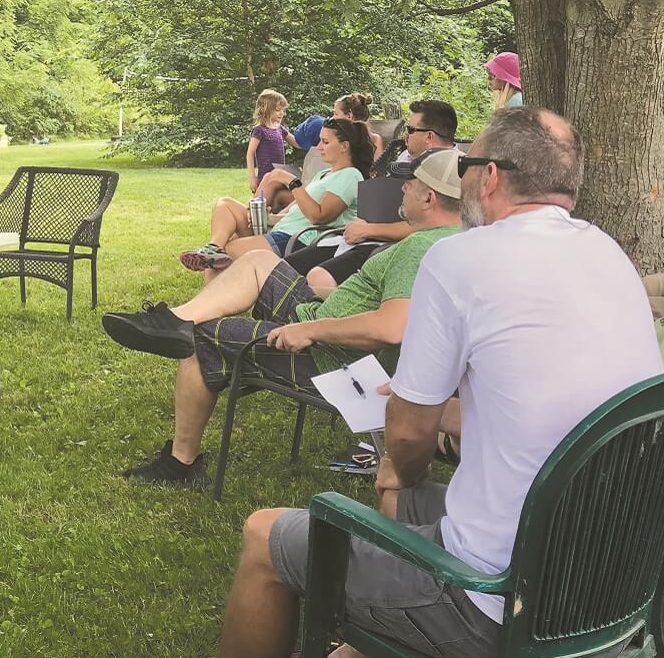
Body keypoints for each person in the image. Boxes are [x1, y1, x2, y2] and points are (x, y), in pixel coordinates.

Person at [120, 108, 662, 658]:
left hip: (507, 611)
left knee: (271, 534)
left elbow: (405, 439)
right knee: (418, 499)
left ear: (488, 178)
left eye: (464, 167)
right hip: (615, 596)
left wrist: (397, 465)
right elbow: (547, 412)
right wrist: (445, 423)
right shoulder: (606, 254)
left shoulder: (460, 257)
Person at [108, 149, 462, 485]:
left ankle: (181, 463)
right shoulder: (457, 240)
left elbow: (390, 328)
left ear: (429, 198)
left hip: (333, 360)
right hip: (328, 326)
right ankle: (174, 320)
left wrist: (311, 328)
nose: (403, 187)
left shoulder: (420, 247)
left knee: (203, 337)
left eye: (412, 183)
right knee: (261, 262)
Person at [286, 99, 461, 292]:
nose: (405, 135)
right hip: (361, 235)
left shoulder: (451, 171)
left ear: (429, 136)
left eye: (410, 130)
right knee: (286, 268)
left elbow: (430, 226)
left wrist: (369, 230)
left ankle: (313, 316)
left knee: (318, 278)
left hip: (387, 244)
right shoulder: (406, 157)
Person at [181, 119, 373, 276]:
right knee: (225, 205)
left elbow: (319, 216)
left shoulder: (350, 175)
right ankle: (213, 248)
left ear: (344, 146)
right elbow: (297, 211)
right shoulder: (323, 175)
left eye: (325, 142)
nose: (319, 146)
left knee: (227, 252)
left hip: (296, 239)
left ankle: (204, 315)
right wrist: (269, 218)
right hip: (281, 229)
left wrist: (292, 182)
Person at [246, 89, 298, 194]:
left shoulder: (280, 128)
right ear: (267, 109)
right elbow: (250, 154)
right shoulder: (259, 130)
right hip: (265, 179)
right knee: (262, 205)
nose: (282, 113)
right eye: (278, 110)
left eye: (283, 110)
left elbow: (296, 142)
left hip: (279, 178)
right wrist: (252, 178)